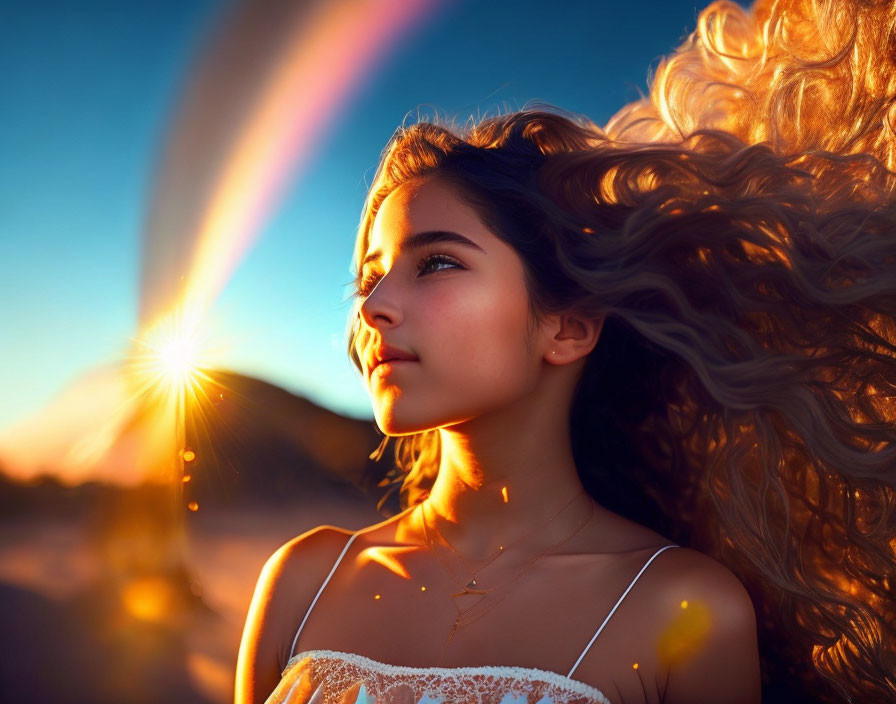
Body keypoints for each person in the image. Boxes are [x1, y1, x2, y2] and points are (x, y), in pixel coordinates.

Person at [235, 0, 896, 702]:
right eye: (370, 277)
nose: (372, 308)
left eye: (436, 264)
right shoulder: (303, 580)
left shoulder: (684, 609)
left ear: (569, 327)